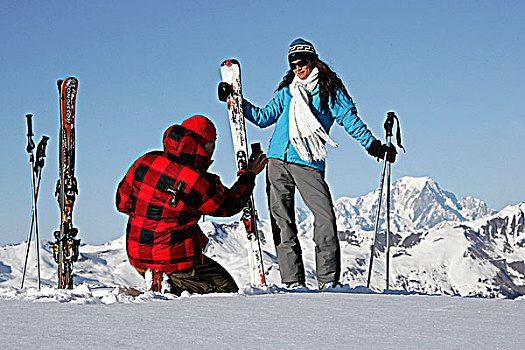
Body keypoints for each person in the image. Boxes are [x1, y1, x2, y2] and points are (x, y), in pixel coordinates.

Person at [240, 38, 396, 291]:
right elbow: (262, 117)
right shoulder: (288, 92)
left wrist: (373, 146)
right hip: (277, 162)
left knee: (325, 218)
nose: (298, 68)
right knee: (282, 222)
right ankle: (292, 282)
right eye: (293, 64)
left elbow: (350, 120)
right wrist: (236, 100)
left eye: (302, 62)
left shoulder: (329, 91)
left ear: (314, 60)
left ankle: (328, 281)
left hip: (308, 163)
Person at [116, 114, 268, 295]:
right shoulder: (197, 181)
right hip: (173, 258)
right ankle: (168, 290)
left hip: (137, 254)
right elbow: (229, 205)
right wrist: (249, 175)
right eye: (214, 140)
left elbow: (122, 203)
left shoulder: (146, 161)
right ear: (205, 144)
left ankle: (162, 281)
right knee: (226, 291)